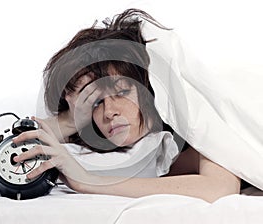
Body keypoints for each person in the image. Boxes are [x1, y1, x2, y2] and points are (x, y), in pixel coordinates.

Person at [13, 8, 241, 202]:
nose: (110, 112)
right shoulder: (115, 146)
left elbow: (220, 187)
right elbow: (11, 146)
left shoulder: (192, 118)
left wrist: (88, 181)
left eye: (122, 91)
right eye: (96, 103)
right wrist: (74, 119)